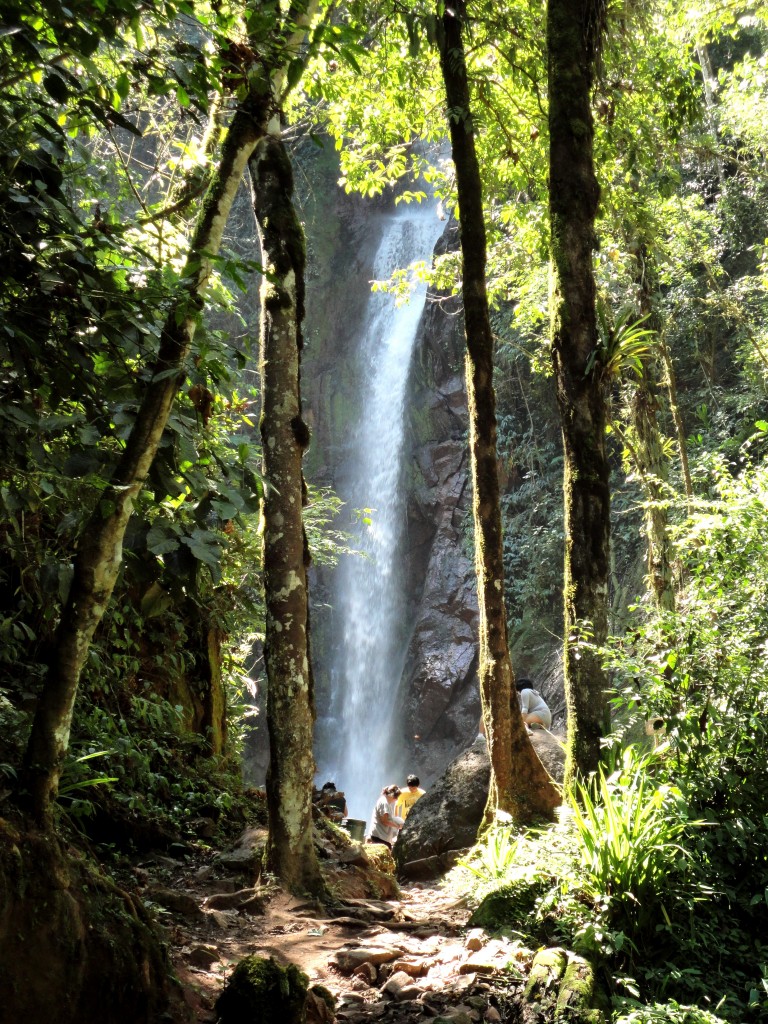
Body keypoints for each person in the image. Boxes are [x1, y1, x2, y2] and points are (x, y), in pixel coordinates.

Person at [367, 784, 404, 849]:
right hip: (379, 836)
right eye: (396, 797)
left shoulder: (385, 802)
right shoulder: (384, 803)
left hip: (382, 836)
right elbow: (384, 821)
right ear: (392, 795)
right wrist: (397, 826)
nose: (396, 799)